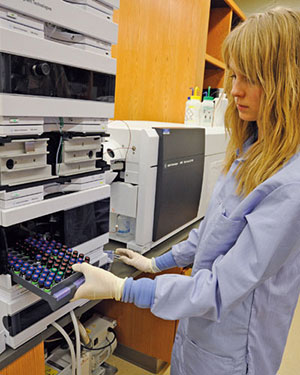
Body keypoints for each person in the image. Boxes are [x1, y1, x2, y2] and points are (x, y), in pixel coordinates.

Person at [71, 7, 300, 375]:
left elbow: (221, 289)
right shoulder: (253, 148)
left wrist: (121, 289)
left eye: (251, 78)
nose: (235, 90)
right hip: (202, 333)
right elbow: (215, 229)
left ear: (286, 82)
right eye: (234, 73)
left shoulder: (290, 185)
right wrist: (154, 263)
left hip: (234, 351)